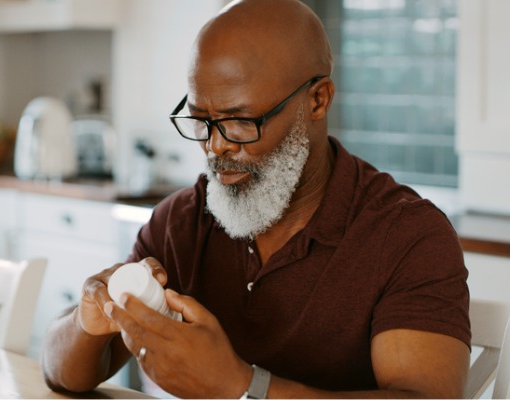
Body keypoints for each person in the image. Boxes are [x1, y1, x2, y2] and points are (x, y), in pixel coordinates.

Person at [41, 0, 471, 398]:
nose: (216, 147)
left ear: (318, 100)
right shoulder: (181, 223)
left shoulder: (408, 236)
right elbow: (61, 373)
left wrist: (243, 387)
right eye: (201, 122)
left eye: (241, 122)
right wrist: (86, 321)